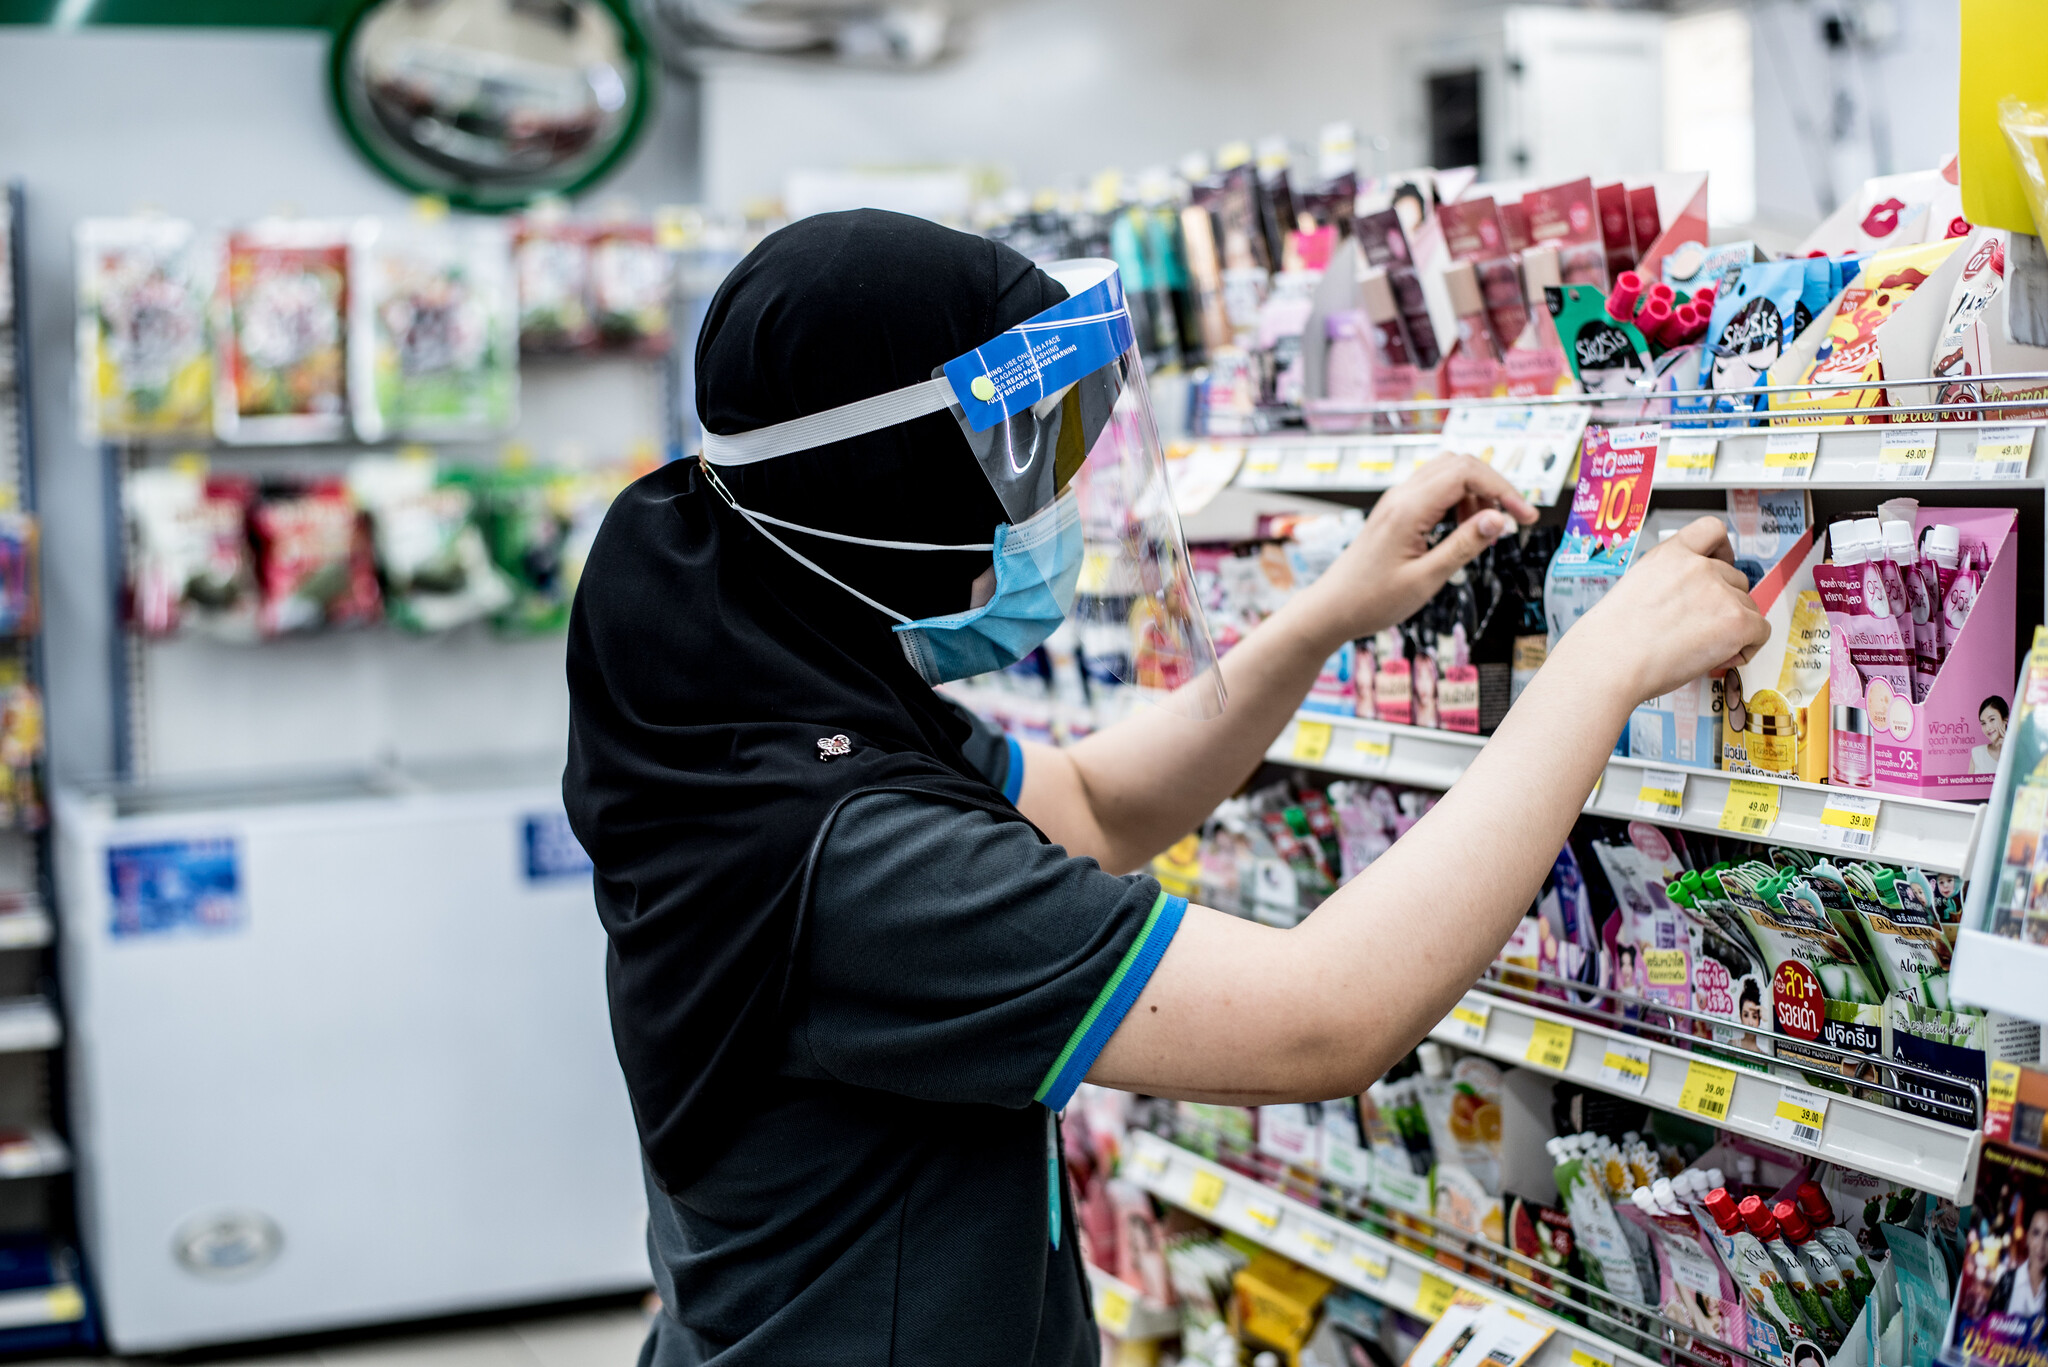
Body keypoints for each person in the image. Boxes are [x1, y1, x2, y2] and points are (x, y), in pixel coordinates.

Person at [563, 210, 1769, 1366]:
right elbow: (1324, 1016)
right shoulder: (858, 863)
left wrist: (1331, 609)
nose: (1060, 508)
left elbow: (1093, 804)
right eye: (1023, 460)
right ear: (892, 482)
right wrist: (1597, 668)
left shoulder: (764, 686)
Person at [1994, 1206, 2048, 1322]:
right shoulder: (2007, 1281)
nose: (2041, 1246)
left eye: (2047, 1236)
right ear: (2028, 1237)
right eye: (2036, 1233)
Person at [1973, 695, 2010, 773]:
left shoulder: (2017, 752)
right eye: (1983, 723)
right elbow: (1969, 785)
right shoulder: (1977, 753)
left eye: (1992, 719)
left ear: (2005, 720)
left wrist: (2008, 749)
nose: (1988, 728)